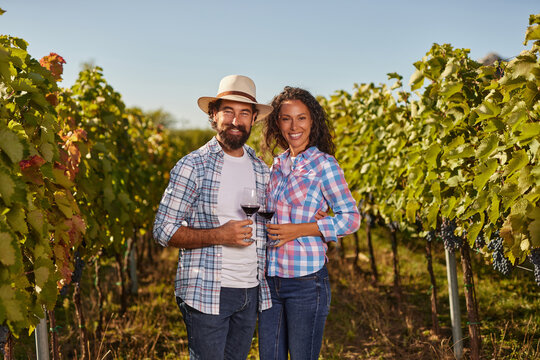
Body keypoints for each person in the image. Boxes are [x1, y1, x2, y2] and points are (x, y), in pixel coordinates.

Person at [153, 75, 274, 360]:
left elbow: (271, 221)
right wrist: (219, 235)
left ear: (254, 118)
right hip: (207, 292)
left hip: (250, 291)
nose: (236, 120)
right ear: (214, 115)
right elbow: (162, 229)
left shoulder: (261, 169)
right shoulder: (192, 165)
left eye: (244, 112)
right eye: (228, 111)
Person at [258, 86, 361, 360]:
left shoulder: (324, 165)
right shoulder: (276, 165)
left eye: (301, 117)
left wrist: (303, 230)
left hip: (306, 282)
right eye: (286, 118)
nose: (294, 126)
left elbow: (351, 218)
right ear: (277, 123)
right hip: (270, 280)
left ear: (312, 121)